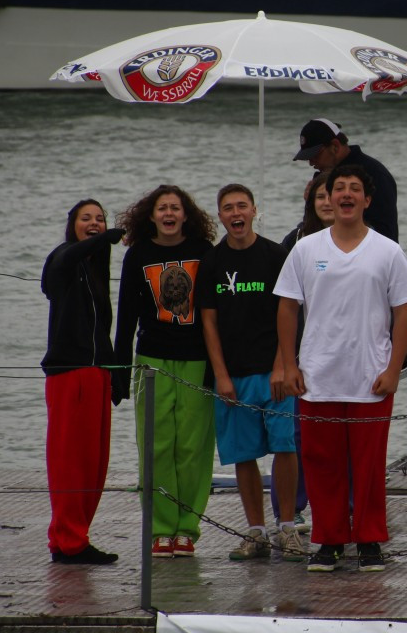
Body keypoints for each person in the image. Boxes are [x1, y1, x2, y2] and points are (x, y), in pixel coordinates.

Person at [274, 164, 407, 573]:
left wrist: (393, 369)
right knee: (321, 465)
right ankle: (330, 541)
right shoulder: (306, 249)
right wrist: (288, 364)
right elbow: (286, 305)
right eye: (340, 188)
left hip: (370, 378)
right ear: (328, 198)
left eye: (355, 189)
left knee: (369, 468)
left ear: (367, 201)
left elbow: (404, 312)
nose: (347, 195)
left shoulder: (387, 251)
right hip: (317, 376)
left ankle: (370, 540)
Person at [198, 184, 307, 562]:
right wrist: (220, 375)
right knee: (243, 453)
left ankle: (288, 527)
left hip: (274, 372)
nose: (235, 213)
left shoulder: (275, 255)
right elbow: (208, 323)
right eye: (227, 208)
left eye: (242, 205)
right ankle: (256, 531)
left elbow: (290, 312)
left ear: (254, 210)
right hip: (234, 375)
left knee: (284, 446)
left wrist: (283, 364)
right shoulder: (211, 262)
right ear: (220, 216)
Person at [113, 184, 216, 558]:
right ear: (151, 215)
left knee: (193, 448)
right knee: (156, 446)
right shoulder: (138, 254)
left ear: (186, 214)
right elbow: (125, 316)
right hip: (152, 359)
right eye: (162, 208)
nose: (169, 214)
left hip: (197, 359)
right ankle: (160, 530)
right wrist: (120, 371)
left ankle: (187, 529)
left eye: (175, 207)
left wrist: (219, 368)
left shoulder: (204, 252)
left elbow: (215, 313)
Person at [41, 199, 124, 565]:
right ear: (72, 224)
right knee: (70, 461)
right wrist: (103, 238)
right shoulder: (64, 260)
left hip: (95, 373)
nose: (93, 223)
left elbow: (101, 331)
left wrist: (115, 373)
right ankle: (69, 540)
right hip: (70, 374)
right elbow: (63, 262)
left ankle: (70, 537)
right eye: (85, 218)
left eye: (99, 218)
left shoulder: (94, 269)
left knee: (94, 463)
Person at [275, 169, 336, 532]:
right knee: (295, 435)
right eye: (320, 196)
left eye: (332, 194)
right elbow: (282, 305)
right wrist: (284, 360)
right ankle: (292, 507)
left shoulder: (362, 240)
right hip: (301, 354)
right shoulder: (294, 242)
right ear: (310, 202)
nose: (328, 202)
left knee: (340, 436)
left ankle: (345, 505)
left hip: (343, 354)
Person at [292, 119, 398, 241]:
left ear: (335, 146)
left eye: (315, 155)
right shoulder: (323, 176)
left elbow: (386, 233)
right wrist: (310, 204)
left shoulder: (375, 174)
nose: (311, 162)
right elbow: (311, 226)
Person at [281, 171, 335, 252]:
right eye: (320, 197)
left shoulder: (357, 238)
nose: (327, 203)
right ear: (312, 202)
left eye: (332, 197)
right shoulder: (296, 238)